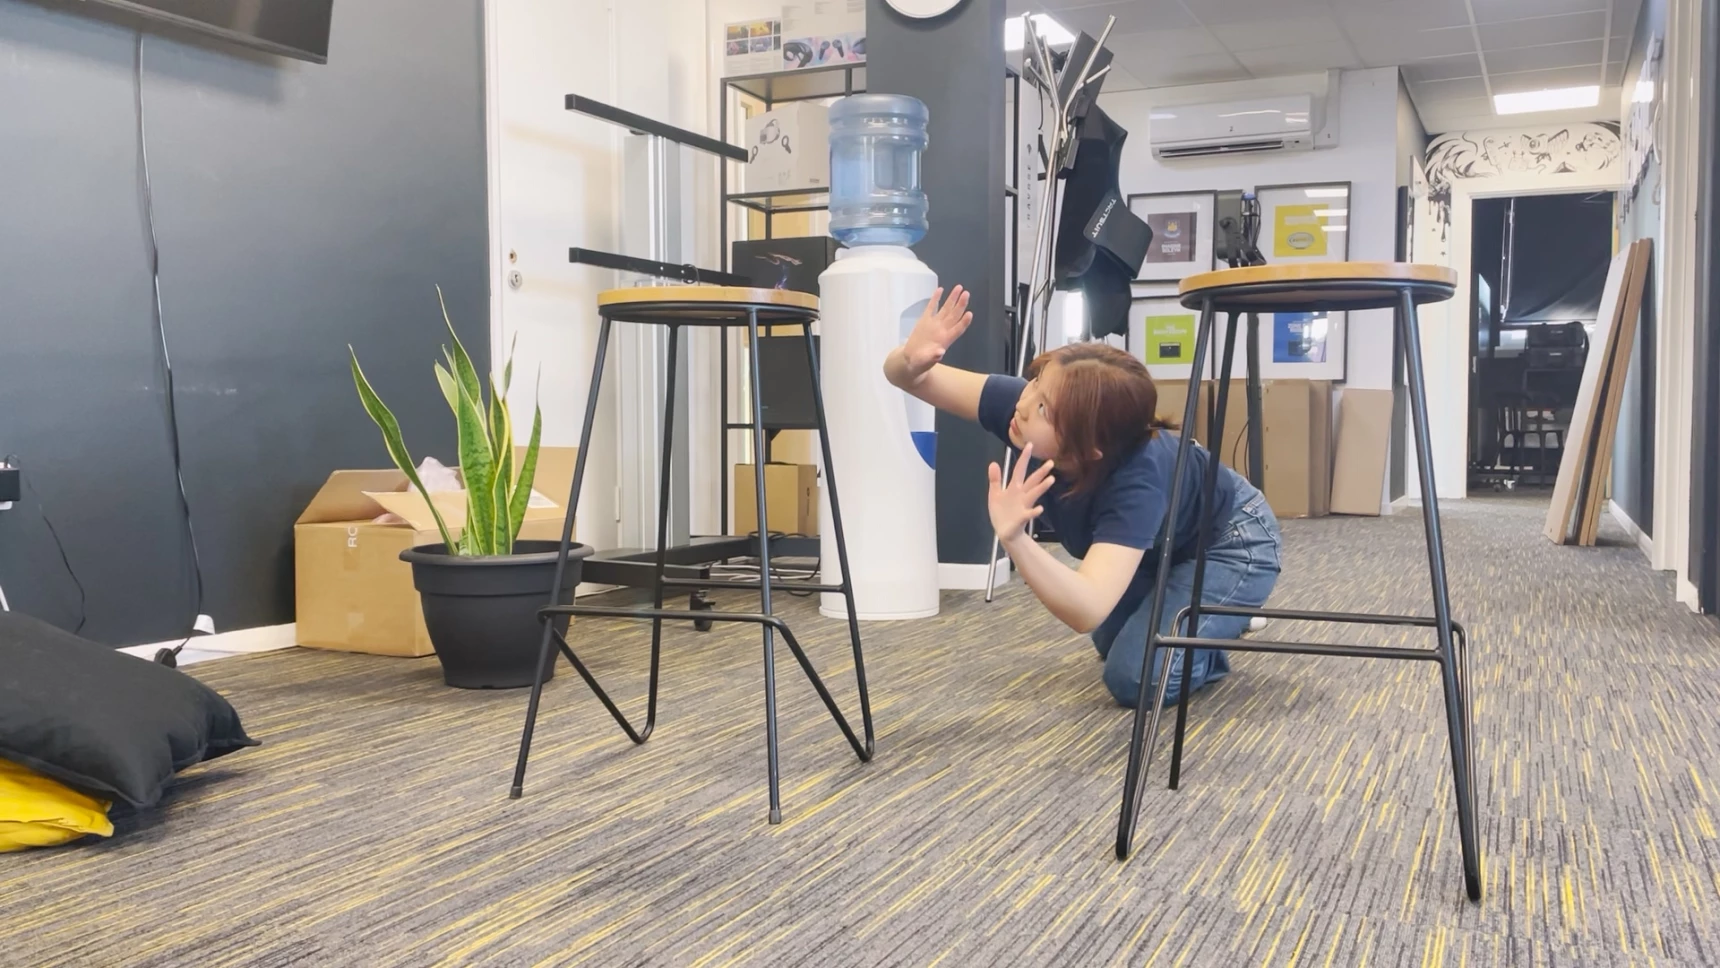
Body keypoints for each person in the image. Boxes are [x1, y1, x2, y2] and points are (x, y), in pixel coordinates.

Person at [883, 285, 1282, 708]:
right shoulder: (1026, 409)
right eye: (1035, 385)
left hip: (1231, 541)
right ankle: (1203, 619)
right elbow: (912, 379)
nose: (1023, 405)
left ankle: (1219, 621)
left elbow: (1085, 610)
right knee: (1110, 639)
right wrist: (910, 360)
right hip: (1162, 542)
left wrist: (1015, 539)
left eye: (1043, 409)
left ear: (1089, 448)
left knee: (1135, 678)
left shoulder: (1138, 481)